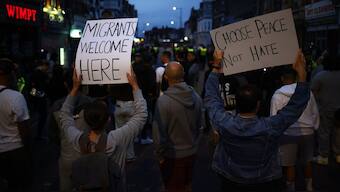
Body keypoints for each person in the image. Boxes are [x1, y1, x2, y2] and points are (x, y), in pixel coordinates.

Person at [204, 50, 310, 192]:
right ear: (258, 105)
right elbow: (295, 107)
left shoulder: (224, 123)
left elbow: (211, 98)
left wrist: (217, 66)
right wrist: (302, 75)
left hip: (231, 179)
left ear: (237, 103)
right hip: (263, 181)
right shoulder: (270, 126)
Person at [59, 70, 147, 191]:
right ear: (108, 120)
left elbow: (64, 116)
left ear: (85, 120)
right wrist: (134, 85)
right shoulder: (117, 139)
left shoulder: (78, 140)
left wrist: (74, 88)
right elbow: (141, 115)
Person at [153, 62, 203, 192]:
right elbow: (200, 126)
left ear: (166, 77)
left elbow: (158, 135)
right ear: (184, 75)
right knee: (187, 185)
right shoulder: (196, 97)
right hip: (191, 152)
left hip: (172, 156)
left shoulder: (163, 102)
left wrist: (160, 156)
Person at [270, 68, 319, 192]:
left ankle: (291, 188)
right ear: (296, 77)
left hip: (287, 132)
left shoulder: (278, 94)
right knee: (307, 160)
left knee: (290, 164)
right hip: (307, 131)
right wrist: (315, 127)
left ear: (282, 79)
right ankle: (309, 186)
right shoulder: (307, 92)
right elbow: (315, 112)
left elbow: (274, 116)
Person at [0, 58, 31, 192]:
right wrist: (28, 150)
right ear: (9, 74)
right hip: (15, 149)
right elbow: (24, 128)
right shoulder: (15, 97)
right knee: (18, 184)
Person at [311, 53, 340, 164]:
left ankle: (324, 156)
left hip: (324, 108)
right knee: (338, 132)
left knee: (324, 132)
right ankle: (338, 154)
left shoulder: (321, 76)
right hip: (339, 110)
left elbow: (313, 91)